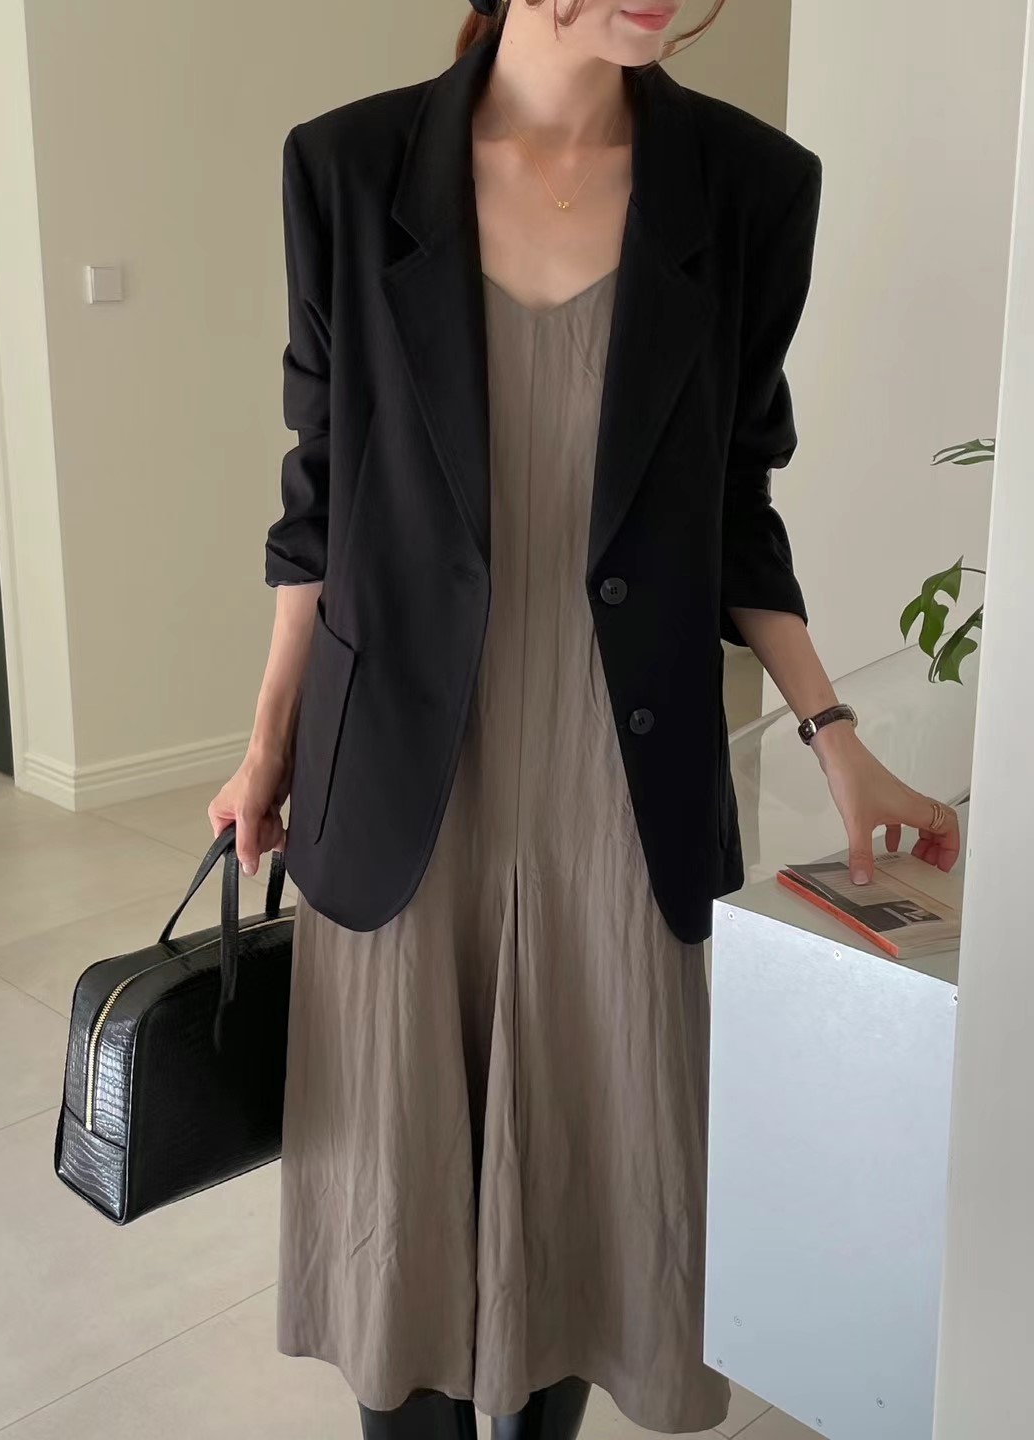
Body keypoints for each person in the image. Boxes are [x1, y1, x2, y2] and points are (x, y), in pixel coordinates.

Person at [209, 2, 962, 1436]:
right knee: (404, 1225)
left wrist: (835, 734)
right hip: (409, 778)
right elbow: (321, 496)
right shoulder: (347, 169)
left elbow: (735, 502)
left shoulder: (749, 189)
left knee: (580, 1194)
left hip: (619, 781)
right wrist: (267, 747)